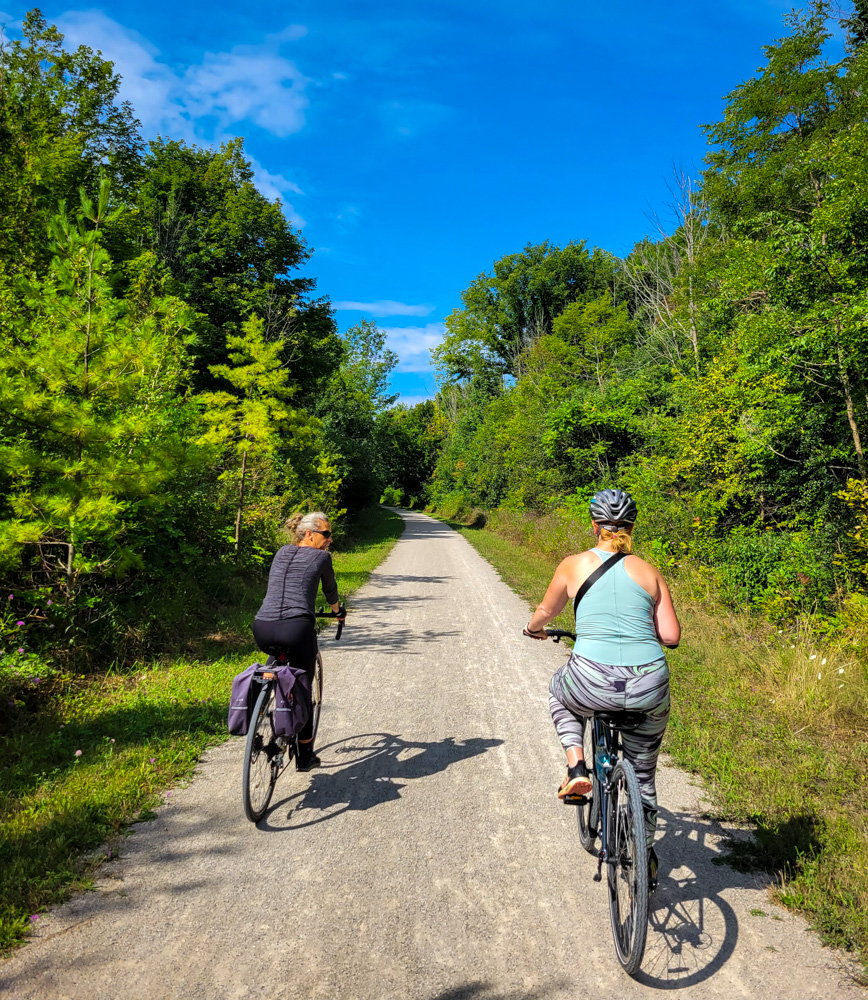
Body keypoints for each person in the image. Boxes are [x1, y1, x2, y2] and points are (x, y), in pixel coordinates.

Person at [523, 488, 680, 883]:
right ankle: (644, 855)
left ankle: (577, 765)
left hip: (591, 679)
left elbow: (546, 610)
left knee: (560, 692)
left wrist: (532, 628)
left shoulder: (573, 565)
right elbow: (672, 636)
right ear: (631, 528)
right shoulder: (649, 571)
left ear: (594, 527)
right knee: (643, 774)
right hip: (649, 684)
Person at [252, 511, 345, 771]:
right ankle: (305, 756)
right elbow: (330, 591)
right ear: (309, 534)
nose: (329, 540)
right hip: (297, 629)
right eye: (326, 534)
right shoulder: (322, 557)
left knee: (275, 666)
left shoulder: (281, 552)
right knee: (303, 687)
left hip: (262, 627)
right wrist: (337, 612)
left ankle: (260, 709)